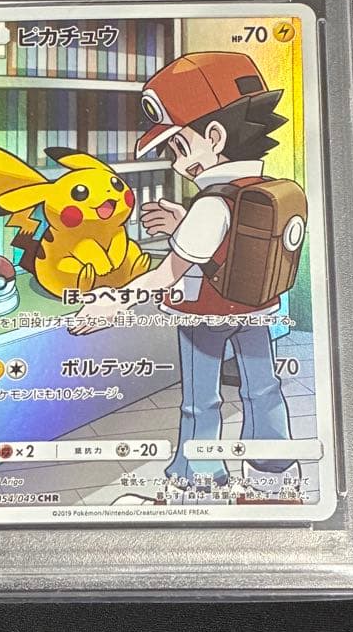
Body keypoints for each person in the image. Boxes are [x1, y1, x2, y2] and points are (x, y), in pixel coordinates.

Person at [70, 51, 297, 492]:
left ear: (214, 136)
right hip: (255, 310)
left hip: (203, 316)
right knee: (262, 387)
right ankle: (273, 466)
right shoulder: (262, 187)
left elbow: (167, 275)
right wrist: (183, 225)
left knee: (201, 401)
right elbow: (232, 244)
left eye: (179, 146)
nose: (176, 162)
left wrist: (114, 301)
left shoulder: (210, 204)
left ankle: (200, 476)